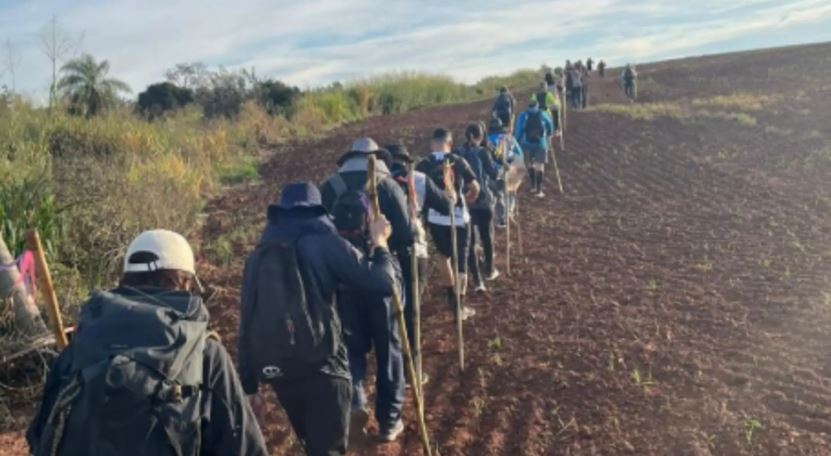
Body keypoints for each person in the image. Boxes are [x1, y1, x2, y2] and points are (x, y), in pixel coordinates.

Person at [28, 230, 268, 456]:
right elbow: (244, 447)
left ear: (125, 280)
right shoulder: (205, 352)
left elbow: (39, 438)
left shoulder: (81, 344)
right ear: (185, 283)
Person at [239, 183, 399, 455]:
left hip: (282, 373)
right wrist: (380, 242)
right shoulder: (323, 241)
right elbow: (383, 283)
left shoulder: (258, 255)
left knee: (315, 445)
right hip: (325, 367)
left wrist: (249, 387)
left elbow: (246, 321)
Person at [319, 138, 415, 443]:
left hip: (345, 279)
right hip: (383, 278)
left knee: (351, 347)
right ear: (377, 157)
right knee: (390, 351)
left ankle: (355, 402)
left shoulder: (330, 186)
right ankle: (389, 421)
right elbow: (406, 234)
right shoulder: (387, 184)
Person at [386, 143, 453, 385]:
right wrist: (449, 189)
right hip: (415, 251)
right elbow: (446, 206)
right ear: (407, 161)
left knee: (390, 311)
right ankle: (411, 371)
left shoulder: (376, 183)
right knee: (411, 311)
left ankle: (394, 367)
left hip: (384, 255)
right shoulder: (420, 180)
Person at [416, 128, 480, 320]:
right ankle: (460, 306)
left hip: (436, 219)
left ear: (432, 144)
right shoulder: (458, 161)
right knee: (461, 261)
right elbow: (475, 188)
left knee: (443, 257)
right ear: (449, 144)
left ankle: (451, 298)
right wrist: (466, 199)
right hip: (459, 218)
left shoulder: (423, 165)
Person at [458, 123, 500, 292]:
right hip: (483, 201)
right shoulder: (483, 152)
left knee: (470, 241)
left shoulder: (458, 153)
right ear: (479, 136)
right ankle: (490, 270)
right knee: (486, 236)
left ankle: (477, 280)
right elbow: (494, 174)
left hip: (466, 202)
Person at [487, 117, 523, 227]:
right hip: (510, 168)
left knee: (498, 194)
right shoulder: (509, 138)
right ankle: (509, 213)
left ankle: (501, 218)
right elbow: (519, 153)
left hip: (494, 171)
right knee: (511, 192)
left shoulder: (487, 140)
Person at [515, 100, 554, 198]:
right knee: (540, 165)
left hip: (526, 143)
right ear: (537, 106)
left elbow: (519, 130)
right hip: (541, 143)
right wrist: (549, 135)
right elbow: (550, 124)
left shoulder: (523, 115)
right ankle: (539, 190)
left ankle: (533, 185)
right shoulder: (543, 114)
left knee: (529, 164)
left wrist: (517, 141)